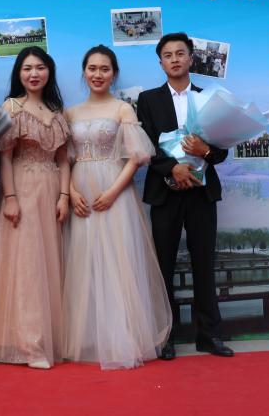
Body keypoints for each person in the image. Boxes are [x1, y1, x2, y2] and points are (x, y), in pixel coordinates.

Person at [63, 45, 172, 370]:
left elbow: (136, 159)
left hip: (116, 193)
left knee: (119, 263)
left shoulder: (123, 109)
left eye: (105, 69)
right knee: (85, 262)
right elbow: (64, 160)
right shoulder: (70, 113)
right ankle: (90, 339)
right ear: (84, 72)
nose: (98, 74)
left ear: (114, 74)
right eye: (92, 68)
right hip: (81, 195)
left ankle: (122, 338)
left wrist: (112, 193)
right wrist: (70, 193)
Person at [137, 32, 234, 360]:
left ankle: (210, 336)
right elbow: (145, 145)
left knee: (204, 264)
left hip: (201, 193)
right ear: (161, 63)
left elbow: (222, 150)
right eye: (168, 55)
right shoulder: (148, 99)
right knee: (163, 265)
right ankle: (166, 337)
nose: (175, 59)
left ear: (191, 59)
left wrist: (205, 150)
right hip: (165, 192)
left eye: (180, 53)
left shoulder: (209, 98)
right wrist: (172, 169)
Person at [0, 47, 71, 369]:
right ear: (18, 73)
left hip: (51, 192)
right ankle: (31, 346)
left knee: (48, 265)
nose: (34, 74)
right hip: (23, 190)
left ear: (49, 72)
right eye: (27, 68)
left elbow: (63, 160)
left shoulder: (56, 110)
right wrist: (11, 197)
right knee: (27, 266)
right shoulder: (11, 108)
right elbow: (4, 157)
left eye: (40, 67)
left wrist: (64, 196)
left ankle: (49, 339)